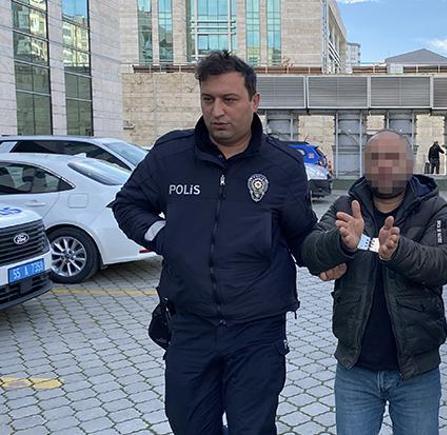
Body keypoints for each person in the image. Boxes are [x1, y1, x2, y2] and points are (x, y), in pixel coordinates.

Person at [112, 50, 317, 435]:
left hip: (258, 331)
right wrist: (163, 237)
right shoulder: (171, 154)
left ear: (254, 101)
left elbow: (302, 236)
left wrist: (335, 252)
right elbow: (128, 205)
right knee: (188, 425)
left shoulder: (282, 165)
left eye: (229, 99)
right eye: (208, 99)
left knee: (252, 429)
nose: (217, 111)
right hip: (190, 325)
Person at [301, 130, 447, 435]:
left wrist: (398, 251)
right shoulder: (347, 204)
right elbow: (310, 250)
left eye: (393, 158)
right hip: (355, 368)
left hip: (416, 370)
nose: (384, 166)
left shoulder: (433, 208)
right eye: (375, 159)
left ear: (410, 163)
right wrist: (341, 243)